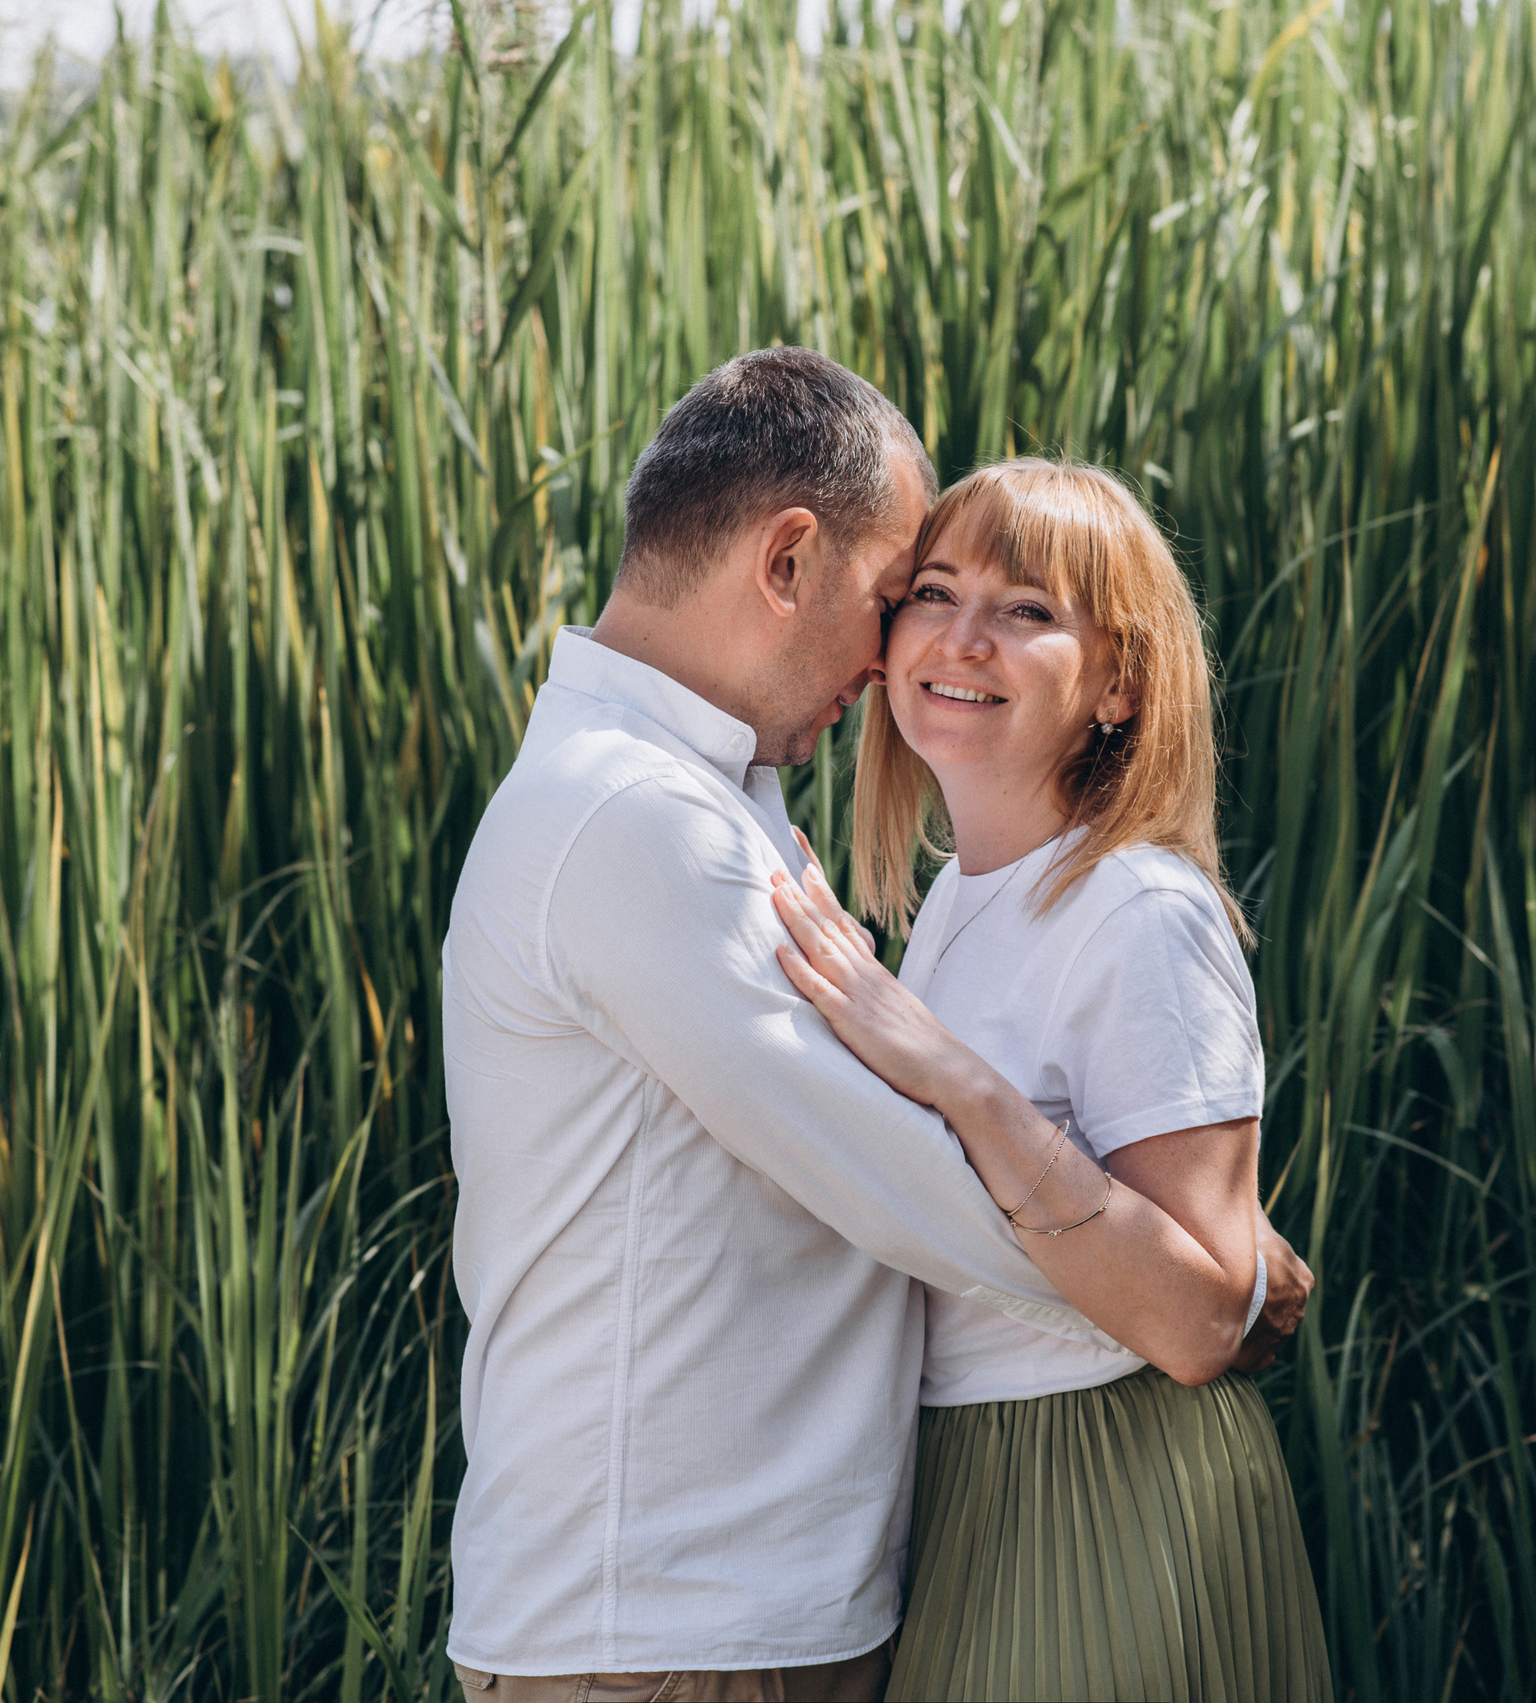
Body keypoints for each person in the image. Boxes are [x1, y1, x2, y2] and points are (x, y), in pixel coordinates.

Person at [439, 353, 1304, 1702]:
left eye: (1009, 609)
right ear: (789, 559)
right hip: (672, 1629)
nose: (901, 645)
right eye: (904, 595)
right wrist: (1210, 1293)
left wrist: (1192, 1266)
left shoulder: (721, 803)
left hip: (756, 1603)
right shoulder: (643, 818)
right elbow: (910, 1185)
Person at [766, 458, 1334, 1702]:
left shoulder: (1137, 906)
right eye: (934, 590)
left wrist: (954, 1078)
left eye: (1028, 610)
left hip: (1109, 1476)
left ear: (1119, 682)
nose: (962, 637)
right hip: (969, 1471)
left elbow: (1198, 1317)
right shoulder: (954, 907)